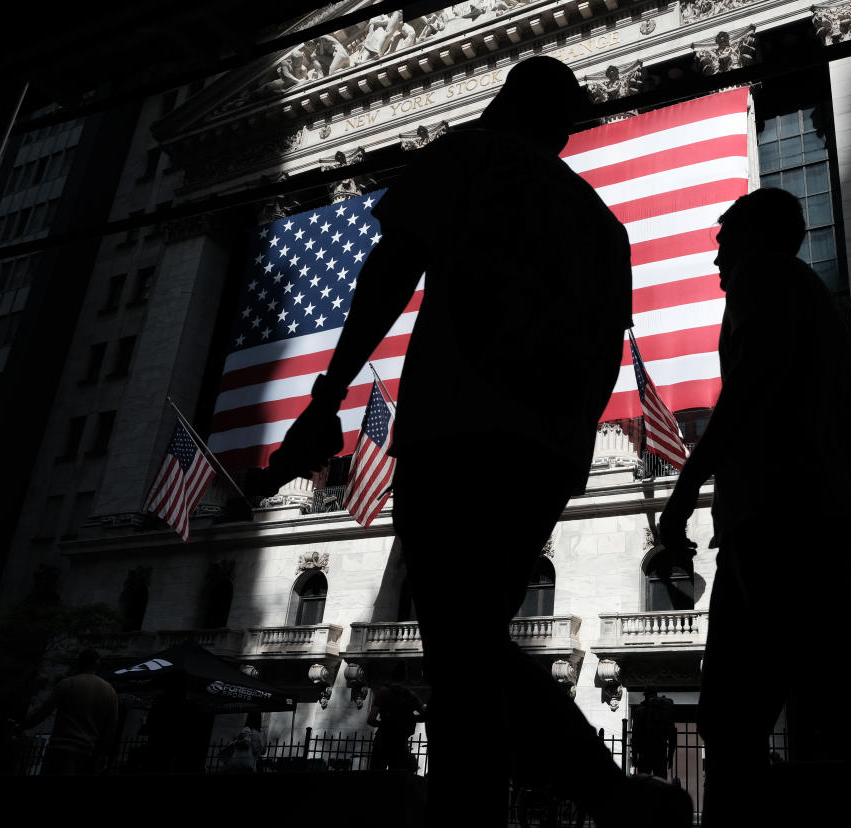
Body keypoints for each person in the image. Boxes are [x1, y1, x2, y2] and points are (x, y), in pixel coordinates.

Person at [266, 56, 691, 828]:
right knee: (469, 646)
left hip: (457, 433)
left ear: (505, 101)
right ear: (561, 125)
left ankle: (606, 790)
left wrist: (326, 397)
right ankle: (473, 817)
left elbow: (389, 273)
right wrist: (560, 439)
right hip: (547, 453)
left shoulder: (466, 153)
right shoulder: (603, 222)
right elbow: (607, 351)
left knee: (459, 640)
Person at [657, 188, 851, 825]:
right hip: (791, 522)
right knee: (730, 713)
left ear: (755, 236)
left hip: (777, 521)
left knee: (837, 690)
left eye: (722, 242)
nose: (716, 259)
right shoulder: (827, 317)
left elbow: (748, 387)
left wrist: (682, 497)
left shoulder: (759, 273)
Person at [21, 648, 117, 775]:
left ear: (79, 663)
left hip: (60, 749)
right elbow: (111, 727)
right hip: (86, 751)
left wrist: (23, 725)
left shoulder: (68, 684)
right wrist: (104, 754)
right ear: (97, 663)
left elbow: (44, 711)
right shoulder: (109, 690)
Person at [368, 682, 423, 772]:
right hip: (400, 743)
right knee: (397, 779)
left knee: (376, 777)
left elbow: (371, 720)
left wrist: (385, 724)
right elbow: (425, 714)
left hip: (382, 741)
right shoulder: (411, 695)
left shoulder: (383, 692)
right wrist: (410, 719)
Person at [631, 689, 677, 779]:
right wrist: (670, 755)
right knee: (660, 783)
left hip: (644, 753)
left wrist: (634, 755)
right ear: (656, 694)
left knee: (644, 783)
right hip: (661, 753)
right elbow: (672, 734)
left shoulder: (639, 711)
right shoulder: (665, 710)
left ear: (645, 695)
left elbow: (635, 735)